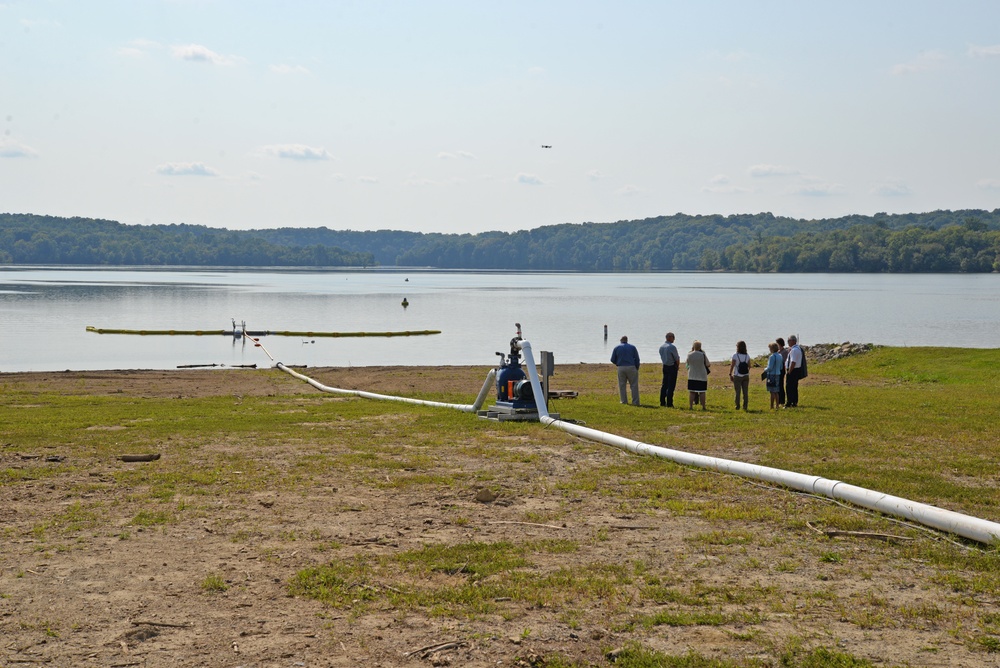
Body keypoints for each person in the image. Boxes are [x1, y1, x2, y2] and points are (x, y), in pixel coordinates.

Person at [610, 335, 640, 405]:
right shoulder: (632, 347)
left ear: (620, 340)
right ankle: (635, 402)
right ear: (627, 340)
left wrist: (617, 363)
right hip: (631, 367)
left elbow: (612, 359)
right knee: (634, 385)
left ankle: (623, 401)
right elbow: (637, 358)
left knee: (622, 385)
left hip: (621, 367)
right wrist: (637, 367)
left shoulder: (616, 347)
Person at [685, 340, 710, 410]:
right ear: (700, 347)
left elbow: (687, 363)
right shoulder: (702, 354)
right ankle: (703, 406)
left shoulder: (689, 354)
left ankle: (690, 406)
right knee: (702, 391)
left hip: (692, 375)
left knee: (692, 391)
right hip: (702, 375)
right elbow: (708, 364)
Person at [658, 332, 680, 407]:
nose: (674, 339)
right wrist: (677, 366)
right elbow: (676, 358)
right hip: (671, 366)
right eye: (673, 337)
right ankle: (669, 403)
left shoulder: (661, 347)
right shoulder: (672, 347)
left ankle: (662, 401)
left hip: (665, 366)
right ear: (670, 337)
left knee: (664, 384)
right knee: (671, 385)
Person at [729, 340, 751, 411]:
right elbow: (749, 366)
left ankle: (737, 405)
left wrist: (730, 374)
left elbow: (732, 366)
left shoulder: (735, 355)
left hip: (737, 375)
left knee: (737, 391)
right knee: (745, 392)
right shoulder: (747, 356)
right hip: (746, 376)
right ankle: (745, 406)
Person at [784, 335, 803, 408]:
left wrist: (789, 371)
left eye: (789, 341)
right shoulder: (797, 349)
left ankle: (789, 402)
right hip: (796, 370)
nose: (788, 342)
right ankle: (794, 401)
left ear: (793, 341)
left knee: (789, 386)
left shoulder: (794, 350)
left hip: (793, 370)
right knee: (794, 386)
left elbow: (793, 362)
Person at [765, 342, 783, 409]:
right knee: (776, 391)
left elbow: (770, 367)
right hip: (778, 374)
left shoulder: (772, 357)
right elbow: (781, 367)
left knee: (772, 391)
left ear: (772, 349)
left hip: (772, 375)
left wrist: (765, 369)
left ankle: (772, 406)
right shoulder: (780, 356)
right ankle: (777, 405)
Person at [776, 337, 789, 407]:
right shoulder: (779, 351)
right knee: (778, 385)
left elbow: (784, 362)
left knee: (780, 385)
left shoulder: (784, 352)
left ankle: (782, 400)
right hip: (778, 369)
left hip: (781, 370)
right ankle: (779, 400)